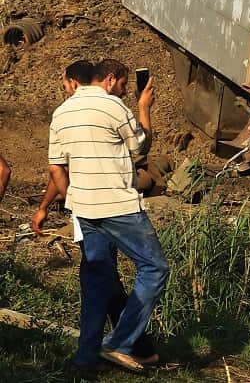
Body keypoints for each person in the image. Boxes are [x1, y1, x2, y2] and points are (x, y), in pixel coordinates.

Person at [33, 60, 159, 367]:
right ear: (111, 79)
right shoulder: (113, 106)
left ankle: (85, 357)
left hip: (84, 211)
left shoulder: (61, 113)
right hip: (119, 206)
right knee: (154, 268)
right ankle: (119, 343)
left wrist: (70, 201)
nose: (125, 90)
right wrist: (144, 107)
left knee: (96, 279)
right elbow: (141, 147)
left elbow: (55, 166)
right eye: (125, 85)